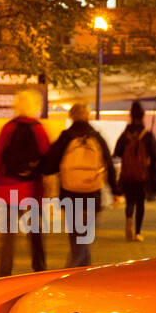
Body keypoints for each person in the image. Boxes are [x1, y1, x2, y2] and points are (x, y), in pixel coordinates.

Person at [39, 102, 118, 267]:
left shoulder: (66, 137)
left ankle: (75, 274)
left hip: (70, 195)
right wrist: (116, 191)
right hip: (92, 194)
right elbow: (109, 164)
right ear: (88, 115)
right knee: (84, 239)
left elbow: (48, 166)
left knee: (77, 239)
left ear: (71, 116)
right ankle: (75, 274)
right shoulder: (96, 136)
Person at [0, 89, 50, 275]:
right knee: (35, 235)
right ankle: (39, 271)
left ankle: (4, 274)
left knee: (7, 238)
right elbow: (46, 158)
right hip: (30, 190)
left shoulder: (8, 128)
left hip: (8, 189)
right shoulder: (38, 129)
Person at [114, 100, 156, 242]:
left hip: (127, 174)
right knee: (140, 203)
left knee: (130, 202)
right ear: (143, 115)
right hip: (142, 175)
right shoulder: (146, 135)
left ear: (130, 115)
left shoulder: (125, 134)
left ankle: (129, 218)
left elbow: (117, 152)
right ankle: (138, 233)